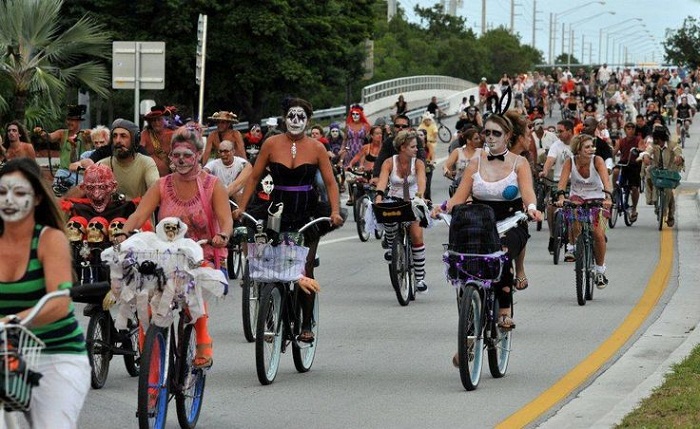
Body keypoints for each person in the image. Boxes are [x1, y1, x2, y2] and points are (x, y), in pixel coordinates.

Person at [118, 125, 234, 368]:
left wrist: (222, 235)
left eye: (187, 155)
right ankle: (150, 360)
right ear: (170, 157)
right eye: (176, 155)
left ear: (198, 156)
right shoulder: (161, 185)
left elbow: (226, 221)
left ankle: (203, 341)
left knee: (191, 287)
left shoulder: (213, 185)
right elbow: (139, 216)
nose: (181, 160)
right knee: (146, 300)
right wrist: (124, 232)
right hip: (167, 255)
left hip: (201, 253)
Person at [234, 98, 343, 342]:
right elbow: (253, 178)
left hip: (307, 210)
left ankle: (306, 324)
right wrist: (241, 207)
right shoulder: (271, 144)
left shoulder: (317, 148)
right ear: (284, 118)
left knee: (306, 266)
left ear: (308, 120)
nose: (295, 121)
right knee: (269, 266)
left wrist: (335, 211)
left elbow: (330, 182)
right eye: (291, 116)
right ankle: (270, 316)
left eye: (300, 117)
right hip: (276, 209)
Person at [0, 158, 90, 428]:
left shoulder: (50, 239)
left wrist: (9, 321)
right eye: (2, 192)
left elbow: (59, 305)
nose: (8, 200)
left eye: (19, 193)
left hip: (57, 355)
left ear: (37, 198)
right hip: (6, 355)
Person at [432, 113, 542, 331]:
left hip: (510, 222)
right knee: (465, 260)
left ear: (508, 135)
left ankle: (504, 312)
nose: (490, 137)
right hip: (480, 223)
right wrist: (441, 208)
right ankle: (468, 331)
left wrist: (532, 209)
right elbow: (459, 198)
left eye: (496, 133)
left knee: (500, 254)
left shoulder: (519, 163)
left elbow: (529, 194)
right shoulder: (476, 161)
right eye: (487, 132)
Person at [555, 134, 613, 288]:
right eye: (587, 147)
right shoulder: (570, 162)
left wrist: (608, 197)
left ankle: (600, 271)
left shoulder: (597, 161)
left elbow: (606, 181)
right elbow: (562, 183)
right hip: (577, 198)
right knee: (572, 217)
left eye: (592, 146)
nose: (591, 149)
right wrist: (561, 196)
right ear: (578, 150)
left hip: (598, 199)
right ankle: (572, 246)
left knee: (598, 233)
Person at [374, 130, 429, 292]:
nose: (417, 149)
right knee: (387, 219)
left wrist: (420, 196)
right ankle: (392, 247)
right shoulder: (389, 163)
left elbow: (421, 181)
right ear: (402, 147)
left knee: (417, 235)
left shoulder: (418, 163)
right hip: (394, 199)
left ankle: (419, 278)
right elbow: (383, 181)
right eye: (413, 146)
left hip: (413, 200)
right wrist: (379, 196)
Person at [95, 119, 159, 200]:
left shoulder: (146, 163)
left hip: (139, 211)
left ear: (135, 140)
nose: (118, 140)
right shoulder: (102, 165)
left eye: (123, 136)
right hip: (113, 212)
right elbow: (80, 191)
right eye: (114, 136)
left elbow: (156, 191)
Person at [539, 119, 574, 257]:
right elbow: (550, 160)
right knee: (551, 207)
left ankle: (573, 241)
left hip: (575, 183)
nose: (558, 134)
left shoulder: (577, 144)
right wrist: (545, 171)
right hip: (558, 182)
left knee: (575, 210)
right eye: (557, 131)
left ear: (570, 131)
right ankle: (553, 236)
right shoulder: (556, 145)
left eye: (561, 131)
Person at [640, 125, 684, 227]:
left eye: (658, 139)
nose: (657, 141)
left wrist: (678, 157)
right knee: (648, 173)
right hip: (657, 170)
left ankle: (671, 215)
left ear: (662, 138)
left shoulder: (672, 144)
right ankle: (652, 199)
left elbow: (678, 151)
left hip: (669, 171)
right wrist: (646, 156)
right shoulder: (653, 145)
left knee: (668, 191)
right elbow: (647, 151)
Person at [41, 105, 90, 188]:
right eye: (68, 119)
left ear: (78, 121)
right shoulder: (62, 133)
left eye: (72, 120)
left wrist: (91, 135)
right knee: (56, 189)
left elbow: (97, 136)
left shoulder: (84, 135)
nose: (69, 122)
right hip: (64, 171)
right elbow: (50, 137)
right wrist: (43, 133)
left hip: (80, 173)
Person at [612, 122, 644, 222]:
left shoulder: (638, 139)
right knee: (616, 171)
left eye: (632, 128)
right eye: (628, 128)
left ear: (635, 130)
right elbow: (614, 151)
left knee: (634, 188)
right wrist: (609, 155)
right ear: (625, 130)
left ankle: (634, 209)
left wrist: (639, 150)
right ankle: (615, 190)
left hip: (634, 164)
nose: (630, 130)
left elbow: (642, 148)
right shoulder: (621, 141)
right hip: (624, 163)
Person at [444, 127, 482, 196]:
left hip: (477, 188)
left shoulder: (482, 152)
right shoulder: (458, 151)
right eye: (476, 139)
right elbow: (446, 165)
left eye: (479, 138)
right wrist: (446, 171)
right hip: (460, 187)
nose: (479, 141)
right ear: (468, 140)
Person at [140, 105, 175, 177]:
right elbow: (139, 149)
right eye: (153, 120)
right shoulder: (145, 134)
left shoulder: (173, 134)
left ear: (165, 120)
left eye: (159, 119)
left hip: (171, 176)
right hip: (151, 177)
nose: (156, 123)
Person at [342, 104, 371, 173]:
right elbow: (345, 140)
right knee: (347, 172)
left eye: (357, 114)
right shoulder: (348, 126)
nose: (355, 116)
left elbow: (369, 141)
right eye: (353, 114)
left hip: (361, 153)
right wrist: (343, 149)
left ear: (360, 115)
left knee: (361, 172)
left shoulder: (366, 126)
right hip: (349, 152)